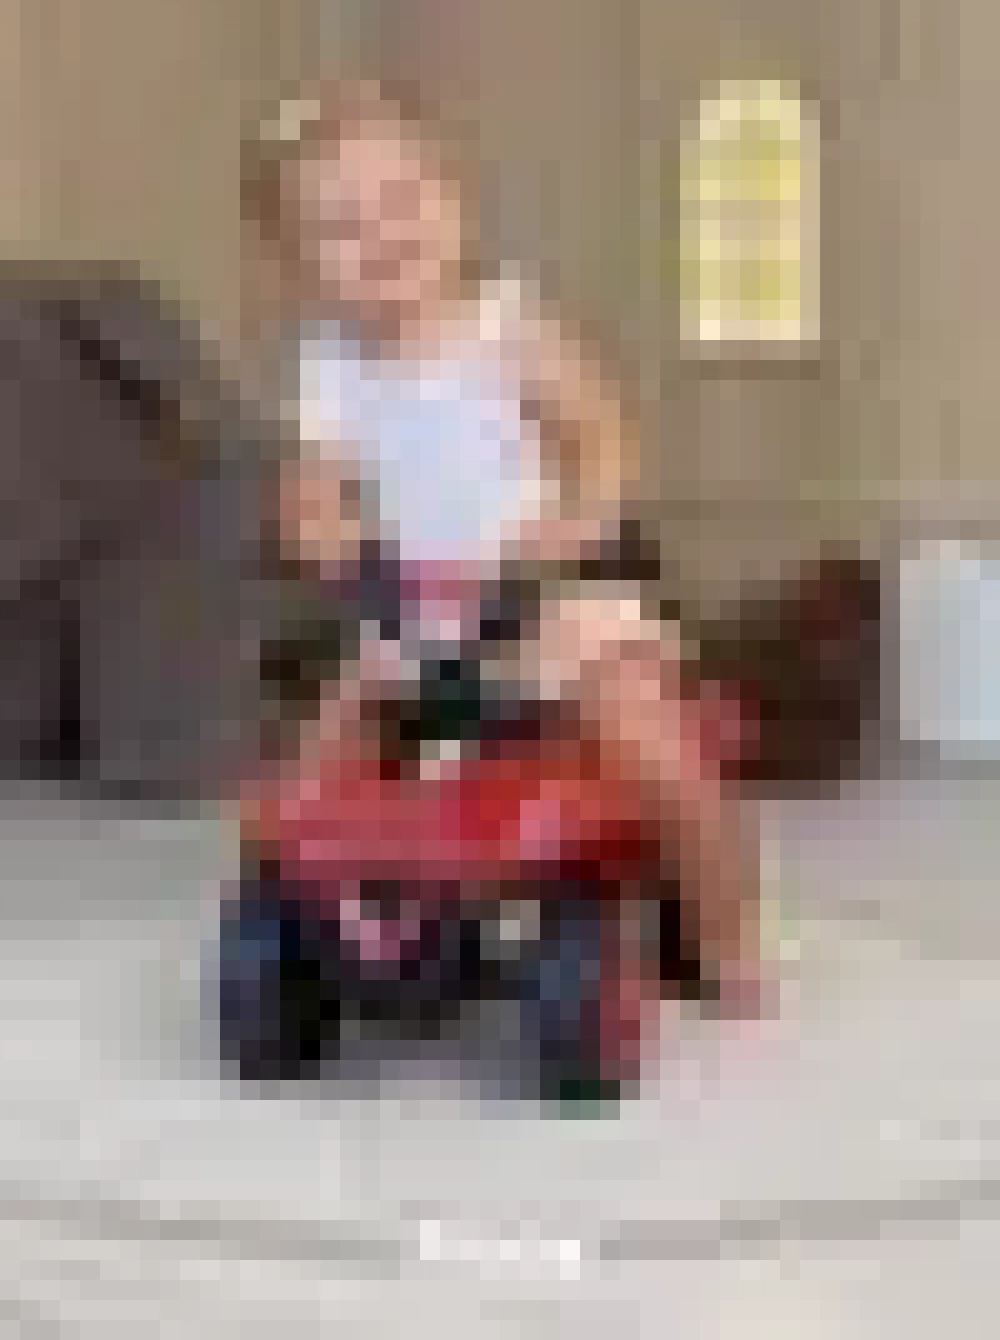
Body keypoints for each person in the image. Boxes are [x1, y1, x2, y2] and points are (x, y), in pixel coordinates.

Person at [238, 78, 762, 1088]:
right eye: (341, 227)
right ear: (299, 264)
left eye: (403, 199)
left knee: (653, 751)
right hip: (420, 607)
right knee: (316, 768)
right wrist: (319, 526)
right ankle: (312, 921)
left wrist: (579, 519)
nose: (383, 234)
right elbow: (314, 481)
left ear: (452, 198)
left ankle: (722, 933)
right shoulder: (329, 361)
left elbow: (600, 435)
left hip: (550, 593)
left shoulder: (505, 326)